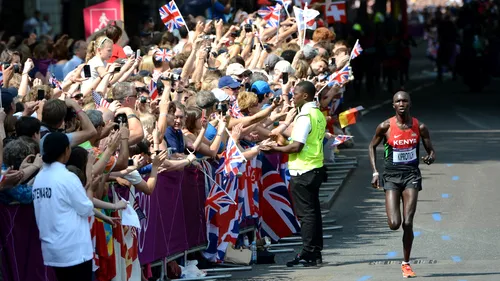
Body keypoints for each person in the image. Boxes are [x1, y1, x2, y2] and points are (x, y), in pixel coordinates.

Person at [368, 91, 436, 278]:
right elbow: (371, 146)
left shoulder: (419, 127)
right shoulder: (385, 126)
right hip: (391, 177)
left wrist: (429, 158)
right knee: (394, 224)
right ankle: (394, 217)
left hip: (411, 176)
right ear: (393, 105)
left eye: (405, 100)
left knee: (407, 222)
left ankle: (406, 263)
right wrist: (375, 172)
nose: (401, 104)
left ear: (410, 104)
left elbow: (431, 151)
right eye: (398, 101)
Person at [260, 81, 326, 267]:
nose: (292, 97)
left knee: (306, 215)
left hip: (304, 169)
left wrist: (275, 150)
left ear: (305, 96)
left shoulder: (305, 115)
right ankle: (315, 252)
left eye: (295, 93)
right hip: (314, 167)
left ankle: (309, 252)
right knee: (313, 212)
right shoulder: (317, 113)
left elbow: (297, 145)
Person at [32, 132, 95, 281]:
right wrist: (90, 185)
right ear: (66, 150)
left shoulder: (39, 178)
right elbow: (86, 209)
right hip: (74, 251)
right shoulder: (67, 177)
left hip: (52, 251)